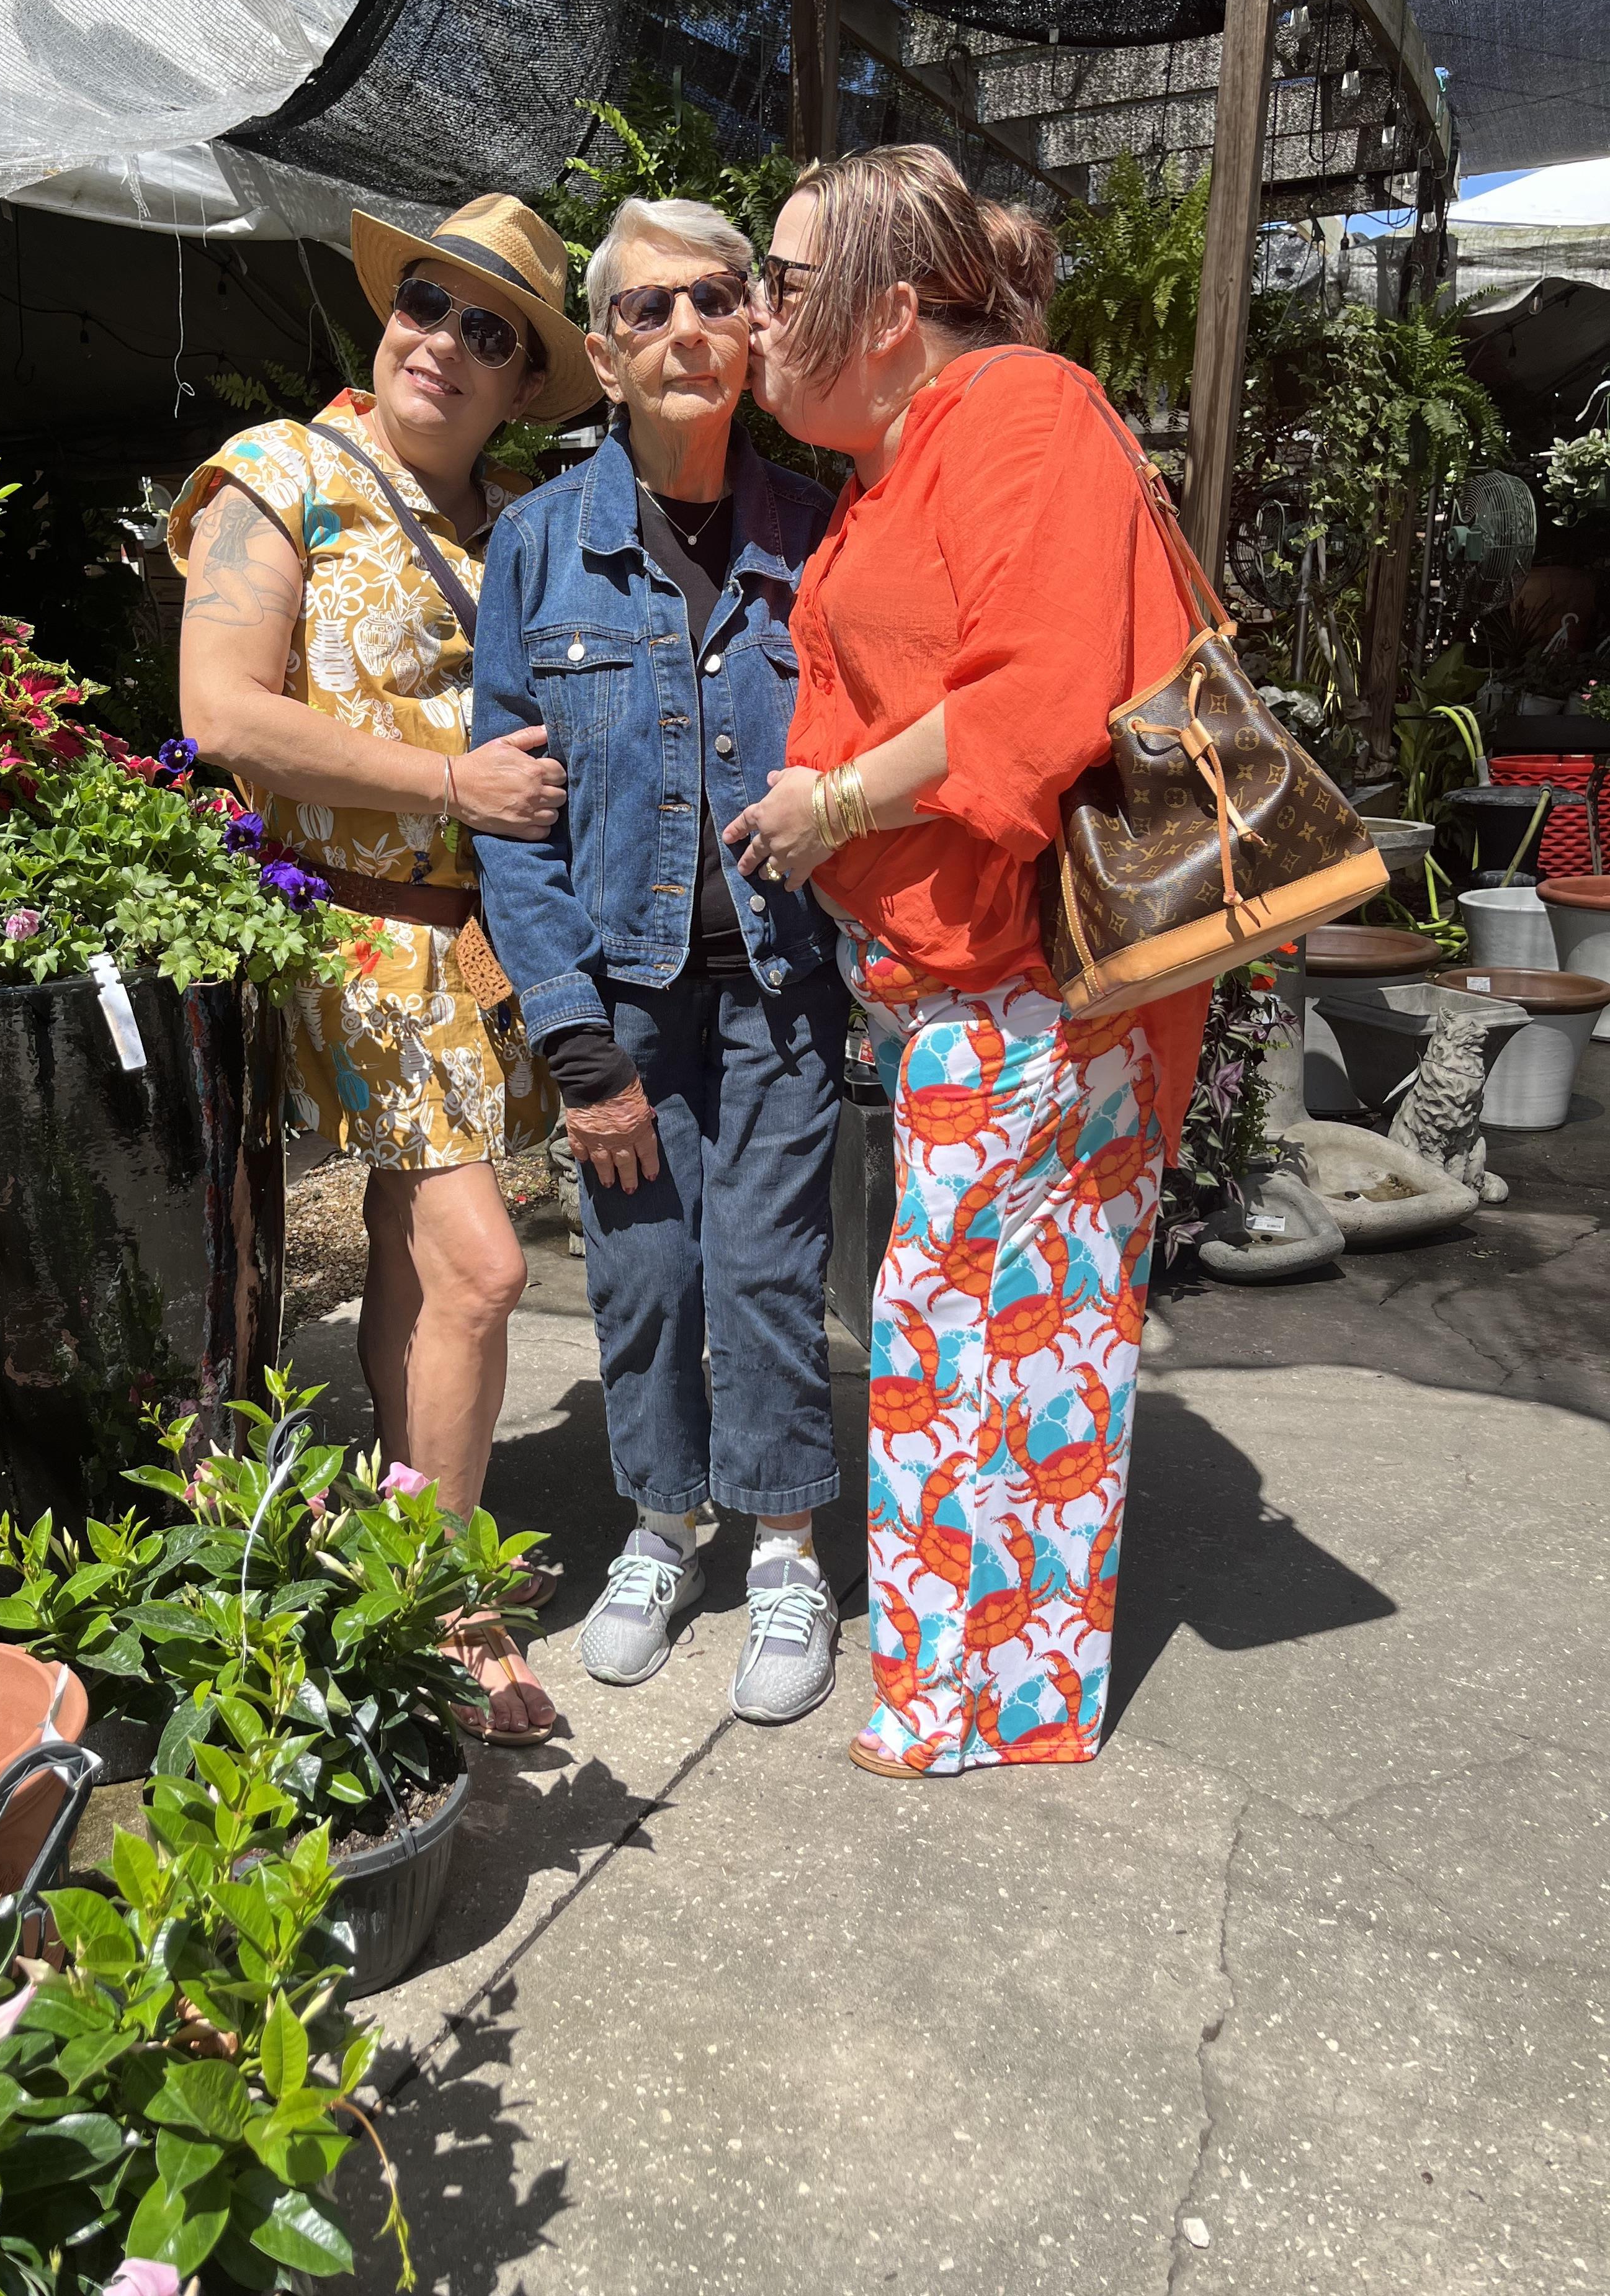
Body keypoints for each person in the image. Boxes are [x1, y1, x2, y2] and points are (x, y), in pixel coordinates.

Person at [724, 143, 1210, 1779]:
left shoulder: (1019, 414)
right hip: (956, 980)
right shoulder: (909, 452)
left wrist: (838, 800)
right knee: (984, 1324)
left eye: (781, 282)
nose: (754, 314)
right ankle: (979, 1683)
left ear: (886, 300)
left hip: (1038, 975)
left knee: (986, 1323)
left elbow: (1042, 687)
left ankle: (977, 1696)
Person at [171, 194, 600, 1746]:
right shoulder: (279, 475)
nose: (448, 345)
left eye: (495, 334)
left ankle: (395, 1526)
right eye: (430, 304)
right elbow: (220, 710)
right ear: (389, 314)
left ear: (520, 380)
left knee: (425, 1262)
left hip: (481, 949)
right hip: (348, 927)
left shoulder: (519, 530)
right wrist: (450, 789)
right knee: (488, 1265)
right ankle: (449, 1608)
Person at [470, 197, 846, 1726]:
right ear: (608, 361)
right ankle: (659, 1524)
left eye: (716, 299)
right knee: (639, 1272)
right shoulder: (537, 548)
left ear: (755, 331)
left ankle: (783, 1547)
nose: (686, 329)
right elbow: (512, 822)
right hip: (621, 994)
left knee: (765, 1272)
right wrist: (576, 1048)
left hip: (781, 988)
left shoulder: (823, 540)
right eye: (647, 311)